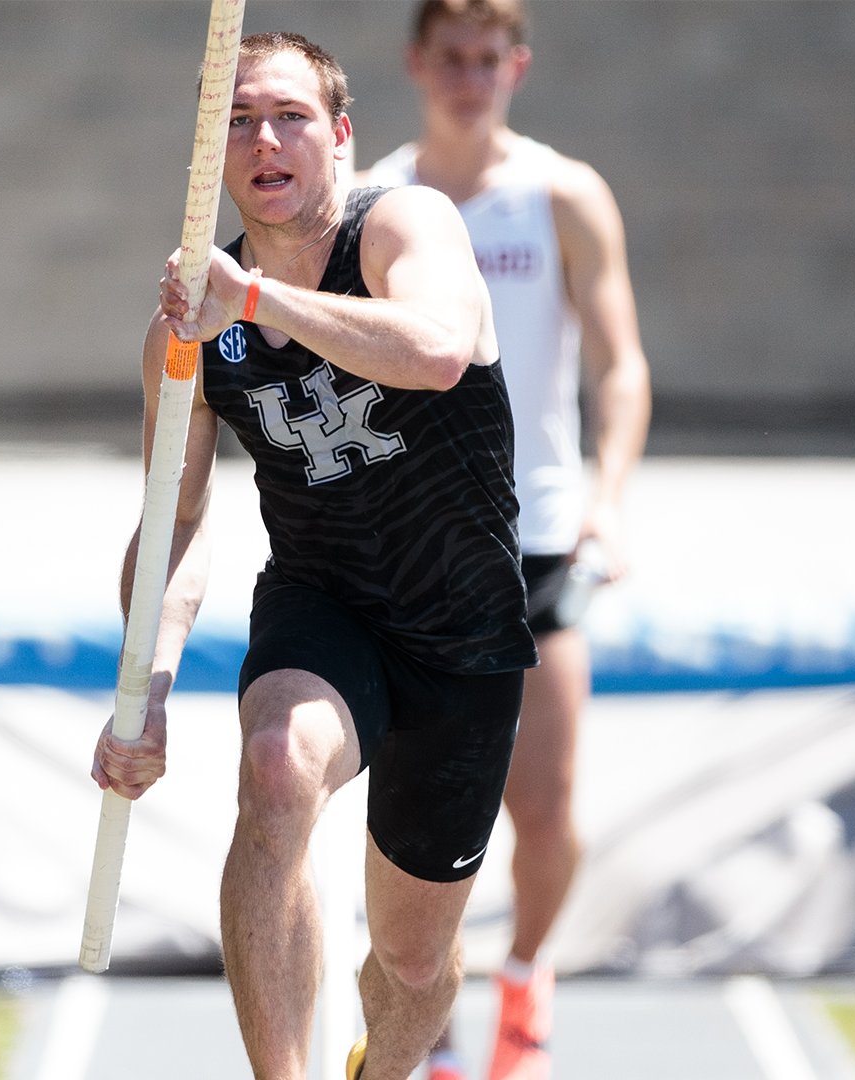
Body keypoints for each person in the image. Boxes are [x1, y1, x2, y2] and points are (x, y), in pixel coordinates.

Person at [89, 31, 537, 1080]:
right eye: (237, 121)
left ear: (339, 136)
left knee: (415, 963)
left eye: (289, 115)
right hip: (323, 601)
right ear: (210, 156)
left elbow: (433, 348)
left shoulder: (400, 226)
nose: (265, 140)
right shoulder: (188, 333)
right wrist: (145, 683)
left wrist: (254, 298)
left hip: (464, 629)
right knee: (277, 767)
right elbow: (177, 519)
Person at [360, 3, 652, 1078]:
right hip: (419, 544)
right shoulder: (378, 201)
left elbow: (621, 364)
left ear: (516, 67)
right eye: (453, 59)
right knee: (417, 814)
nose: (471, 78)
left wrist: (607, 501)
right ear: (417, 66)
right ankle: (425, 1015)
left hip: (537, 534)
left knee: (545, 803)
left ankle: (526, 972)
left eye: (491, 59)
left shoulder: (562, 196)